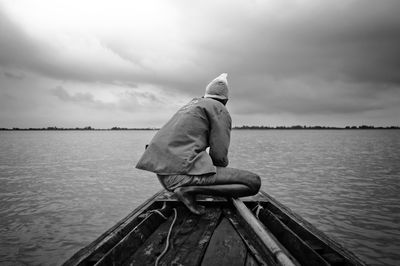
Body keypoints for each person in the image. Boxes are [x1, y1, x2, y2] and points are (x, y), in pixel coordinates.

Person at [136, 73, 261, 215]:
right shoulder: (219, 109)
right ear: (225, 100)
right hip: (180, 176)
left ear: (206, 95)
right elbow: (219, 157)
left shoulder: (191, 105)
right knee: (253, 182)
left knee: (216, 173)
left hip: (163, 174)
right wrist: (222, 176)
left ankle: (188, 188)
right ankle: (188, 190)